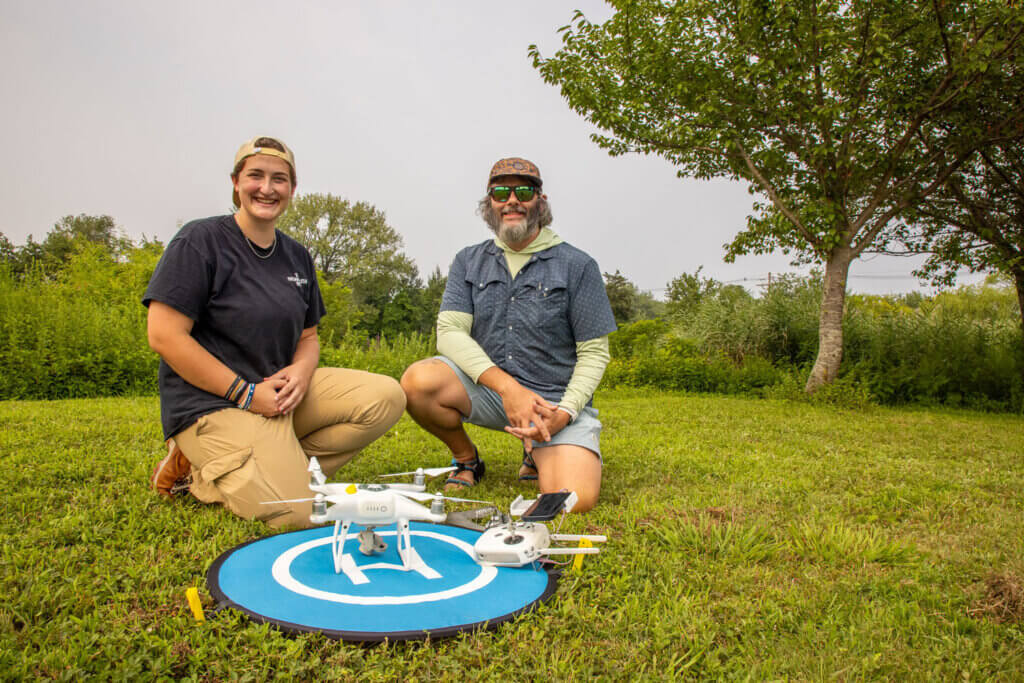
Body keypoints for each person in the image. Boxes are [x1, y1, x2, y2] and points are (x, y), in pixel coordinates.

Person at [144, 136, 405, 528]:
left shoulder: (297, 255)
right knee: (300, 512)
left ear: (292, 189)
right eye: (256, 176)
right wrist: (245, 394)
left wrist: (301, 372)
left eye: (279, 179)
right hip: (212, 403)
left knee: (386, 396)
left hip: (277, 398)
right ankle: (201, 475)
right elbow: (164, 336)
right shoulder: (200, 240)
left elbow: (308, 338)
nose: (267, 188)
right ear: (236, 182)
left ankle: (269, 464)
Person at [400, 157, 616, 513]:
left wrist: (565, 412)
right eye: (501, 191)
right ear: (489, 204)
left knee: (571, 501)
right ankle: (467, 459)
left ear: (540, 201)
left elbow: (594, 353)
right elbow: (449, 332)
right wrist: (509, 389)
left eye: (524, 191)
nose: (511, 200)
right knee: (418, 382)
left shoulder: (578, 265)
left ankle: (539, 451)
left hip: (552, 403)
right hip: (490, 392)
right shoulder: (468, 260)